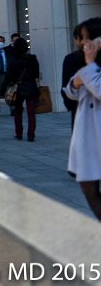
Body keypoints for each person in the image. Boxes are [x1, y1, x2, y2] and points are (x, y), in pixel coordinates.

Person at [65, 35, 101, 221]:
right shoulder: (87, 66)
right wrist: (75, 83)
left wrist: (90, 65)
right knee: (88, 185)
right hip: (89, 136)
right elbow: (71, 92)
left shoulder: (91, 67)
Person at [63, 20, 101, 128]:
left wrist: (90, 65)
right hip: (83, 123)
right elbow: (68, 97)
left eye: (86, 37)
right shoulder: (74, 59)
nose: (83, 42)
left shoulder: (87, 63)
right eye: (81, 37)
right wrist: (74, 84)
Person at [4, 38, 40, 141]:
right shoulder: (33, 59)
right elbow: (36, 74)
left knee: (18, 111)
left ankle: (19, 133)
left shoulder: (14, 60)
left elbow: (9, 75)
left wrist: (6, 85)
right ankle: (31, 135)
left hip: (18, 88)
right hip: (31, 86)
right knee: (31, 113)